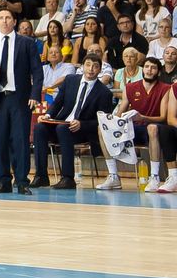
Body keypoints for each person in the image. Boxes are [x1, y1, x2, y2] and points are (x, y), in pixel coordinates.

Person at [0, 8, 43, 194]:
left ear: (14, 21)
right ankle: (3, 181)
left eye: (8, 18)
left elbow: (37, 72)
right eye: (1, 18)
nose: (4, 21)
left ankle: (22, 182)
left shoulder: (27, 43)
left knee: (20, 141)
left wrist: (35, 95)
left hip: (19, 98)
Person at [30, 54, 113, 189]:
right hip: (63, 124)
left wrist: (82, 124)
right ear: (81, 67)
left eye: (95, 66)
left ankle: (68, 178)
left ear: (99, 70)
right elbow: (57, 103)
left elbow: (103, 122)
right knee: (40, 127)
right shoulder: (70, 80)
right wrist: (48, 115)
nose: (91, 69)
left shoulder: (104, 92)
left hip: (82, 131)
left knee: (62, 129)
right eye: (88, 65)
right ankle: (41, 176)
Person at [97, 56, 170, 191]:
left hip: (154, 127)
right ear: (143, 69)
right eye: (147, 67)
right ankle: (113, 176)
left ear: (158, 72)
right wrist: (110, 120)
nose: (149, 70)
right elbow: (120, 111)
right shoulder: (130, 87)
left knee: (153, 128)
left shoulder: (165, 88)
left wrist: (142, 117)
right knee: (102, 129)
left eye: (153, 68)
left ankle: (154, 177)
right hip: (133, 128)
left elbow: (163, 117)